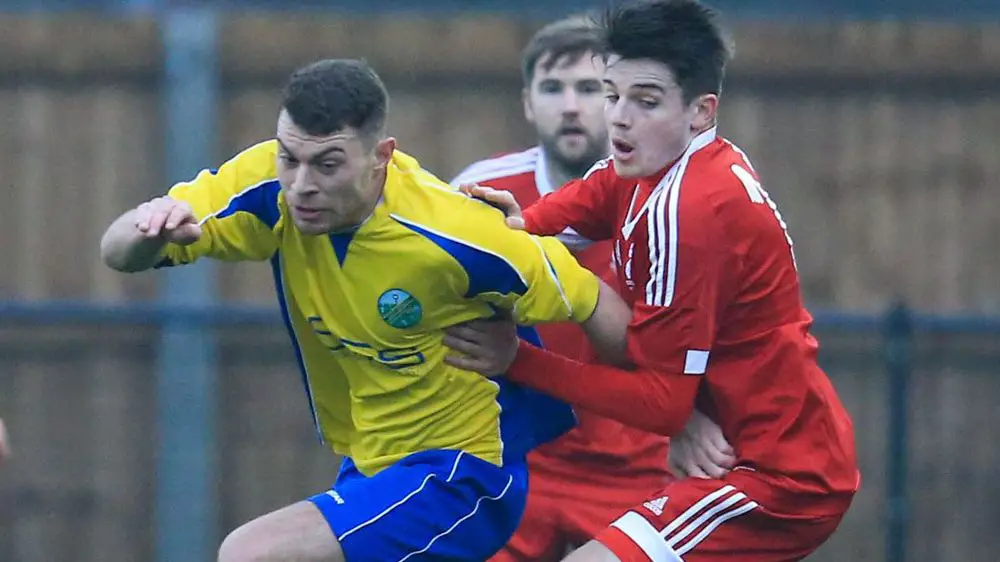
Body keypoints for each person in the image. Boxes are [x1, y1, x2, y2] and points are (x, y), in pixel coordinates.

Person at [100, 58, 637, 562]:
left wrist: (676, 417)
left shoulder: (459, 234)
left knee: (250, 552)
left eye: (328, 164)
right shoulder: (270, 184)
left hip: (462, 474)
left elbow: (599, 307)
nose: (302, 185)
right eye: (290, 158)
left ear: (381, 155)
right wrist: (148, 231)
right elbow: (117, 251)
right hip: (371, 466)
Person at [447, 1, 860, 560]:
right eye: (612, 94)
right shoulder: (657, 163)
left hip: (778, 478)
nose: (618, 116)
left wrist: (515, 359)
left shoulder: (688, 213)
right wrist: (523, 225)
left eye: (646, 101)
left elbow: (661, 403)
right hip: (733, 451)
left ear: (701, 112)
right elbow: (595, 195)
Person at [450, 16, 733, 561]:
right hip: (517, 458)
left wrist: (694, 413)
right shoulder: (479, 192)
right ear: (528, 103)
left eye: (589, 89)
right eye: (553, 89)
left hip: (639, 462)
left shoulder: (677, 200)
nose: (572, 106)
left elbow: (717, 332)